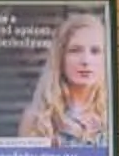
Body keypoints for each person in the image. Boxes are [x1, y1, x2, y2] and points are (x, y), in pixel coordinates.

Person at [17, 9, 109, 145]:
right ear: (60, 57)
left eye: (95, 51)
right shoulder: (36, 118)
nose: (85, 60)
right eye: (75, 50)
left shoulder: (111, 113)